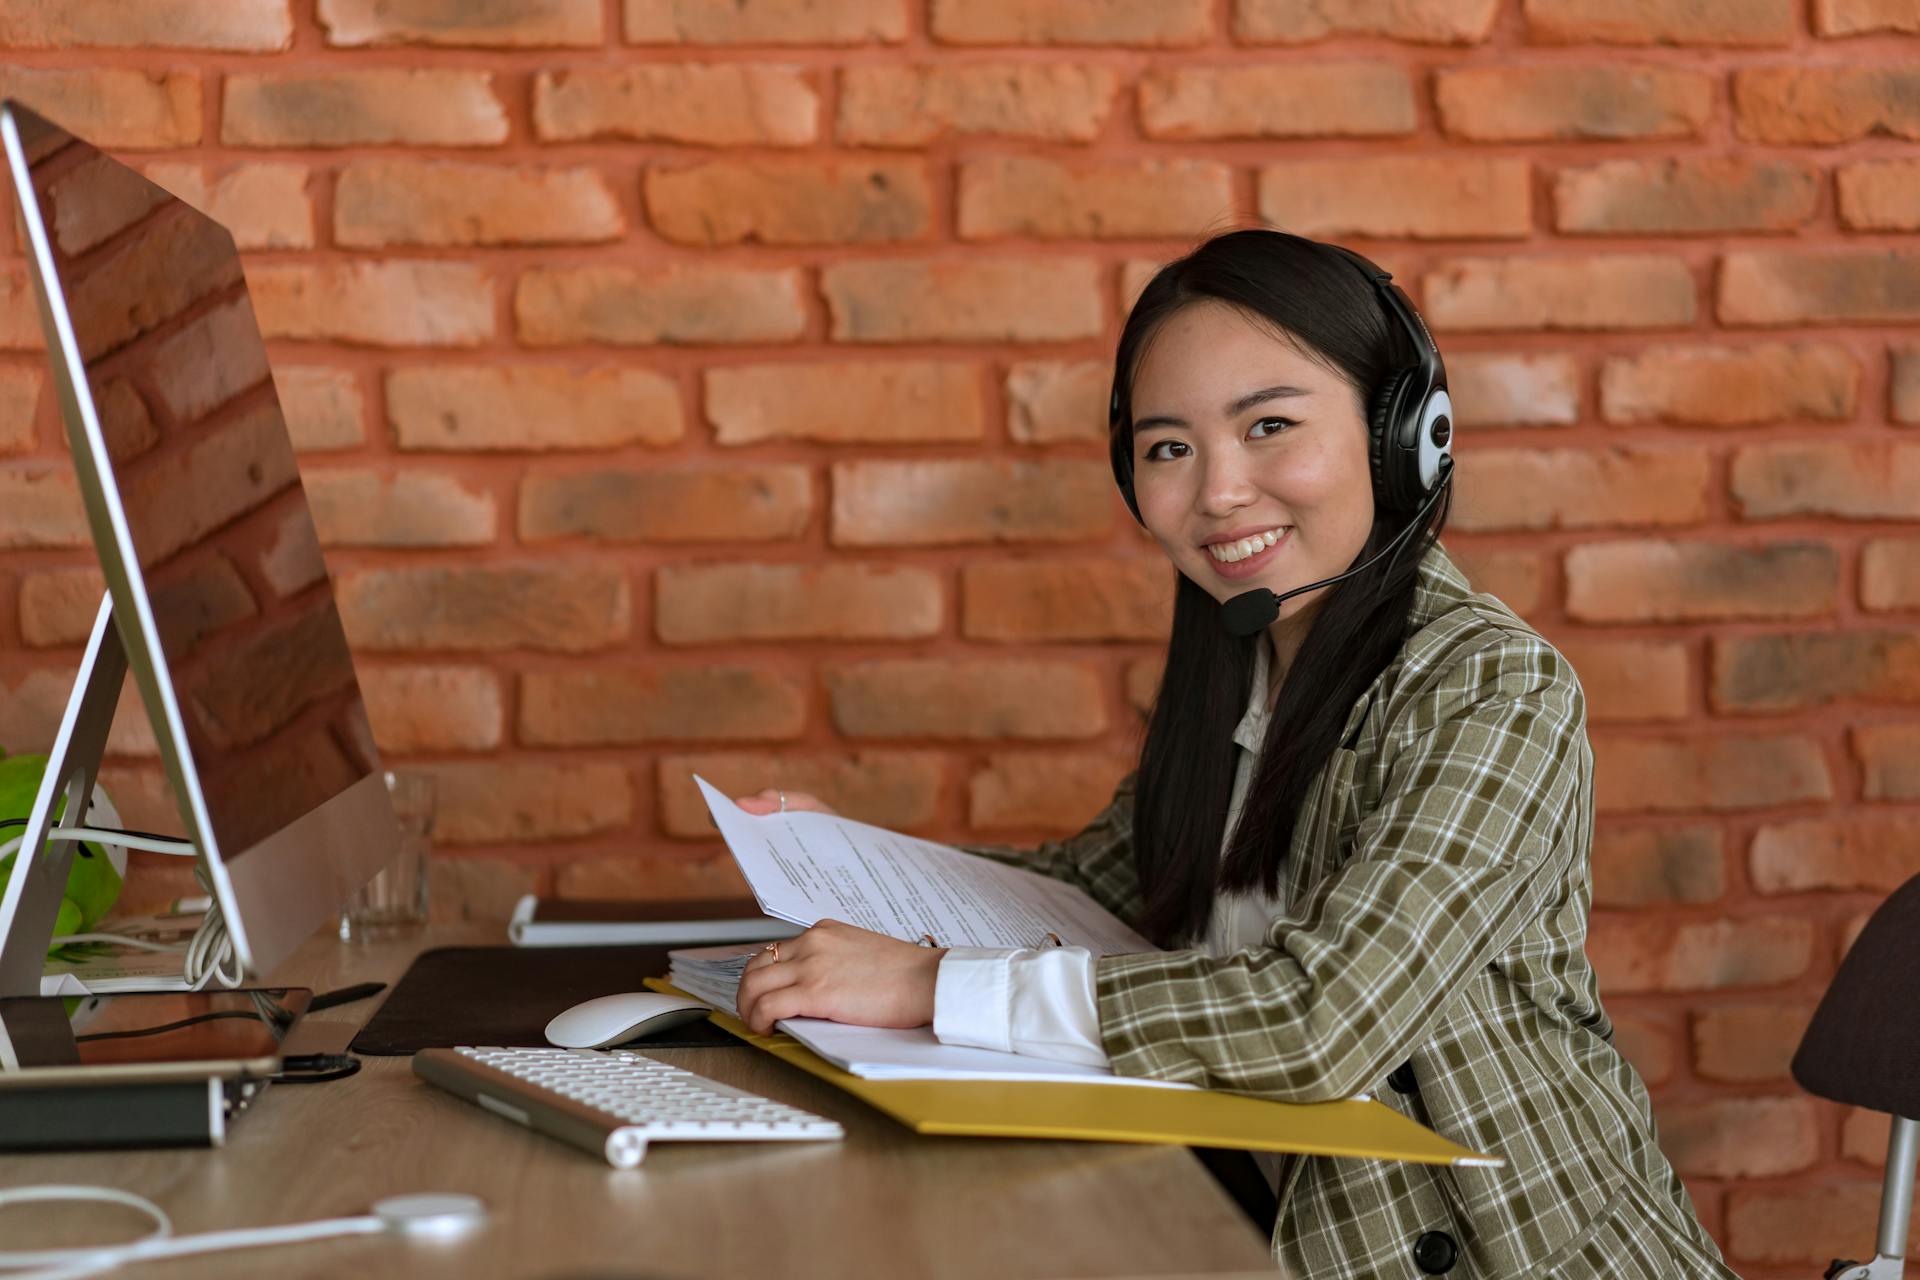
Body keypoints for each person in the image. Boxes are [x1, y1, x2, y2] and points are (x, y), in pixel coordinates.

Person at [732, 229, 1736, 1279]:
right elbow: (1096, 892)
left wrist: (932, 985)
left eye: (1269, 425)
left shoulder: (1491, 690)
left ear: (1406, 438)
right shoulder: (1241, 671)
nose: (1216, 491)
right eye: (1170, 447)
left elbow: (1320, 1019)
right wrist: (839, 856)